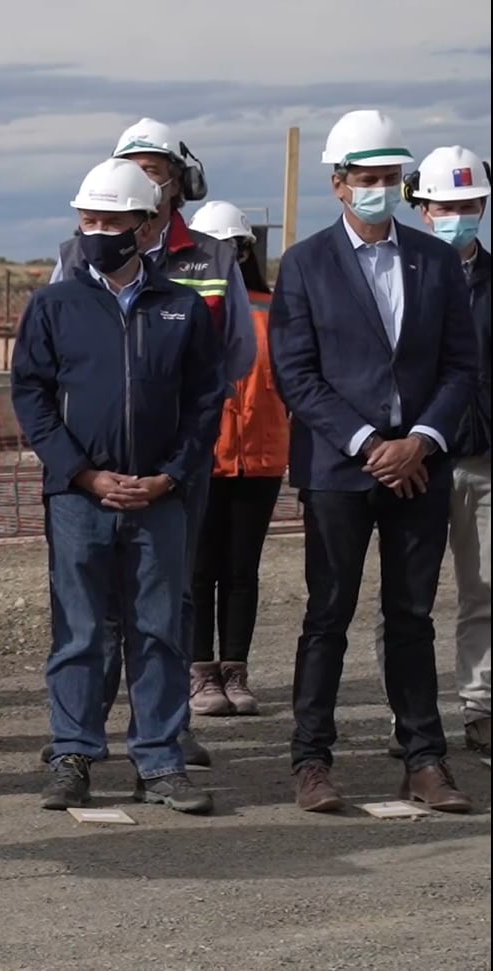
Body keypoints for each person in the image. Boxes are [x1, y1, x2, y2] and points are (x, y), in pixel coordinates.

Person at [271, 111, 478, 816]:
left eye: (391, 178)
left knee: (411, 615)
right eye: (368, 179)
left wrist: (419, 439)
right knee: (328, 613)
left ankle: (424, 758)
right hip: (338, 467)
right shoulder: (304, 264)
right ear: (338, 184)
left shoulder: (434, 260)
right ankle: (312, 761)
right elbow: (295, 374)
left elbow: (460, 365)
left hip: (419, 465)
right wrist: (368, 443)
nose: (381, 190)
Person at [11, 159, 225, 815]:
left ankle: (159, 762)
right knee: (80, 631)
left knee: (159, 631)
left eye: (109, 220)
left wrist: (170, 475)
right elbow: (32, 397)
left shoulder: (183, 309)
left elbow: (205, 403)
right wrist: (82, 472)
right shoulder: (53, 306)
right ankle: (72, 753)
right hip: (79, 499)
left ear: (144, 224)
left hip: (160, 499)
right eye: (88, 219)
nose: (96, 231)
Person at [45, 118, 253, 769]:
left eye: (155, 165)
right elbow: (53, 358)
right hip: (94, 468)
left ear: (177, 181)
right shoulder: (76, 255)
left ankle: (164, 726)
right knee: (95, 604)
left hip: (174, 468)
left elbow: (237, 357)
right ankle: (85, 734)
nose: (144, 174)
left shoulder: (212, 260)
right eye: (131, 163)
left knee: (171, 599)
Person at [401, 146, 492, 759]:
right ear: (423, 207)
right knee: (407, 599)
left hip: (484, 461)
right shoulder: (401, 274)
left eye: (468, 205)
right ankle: (406, 717)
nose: (458, 215)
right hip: (417, 463)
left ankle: (481, 706)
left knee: (484, 588)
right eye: (445, 205)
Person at [182, 201, 286, 718]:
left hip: (261, 460)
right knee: (199, 569)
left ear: (246, 250)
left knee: (242, 569)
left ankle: (235, 670)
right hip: (202, 458)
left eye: (233, 247)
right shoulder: (182, 307)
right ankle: (200, 671)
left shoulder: (277, 308)